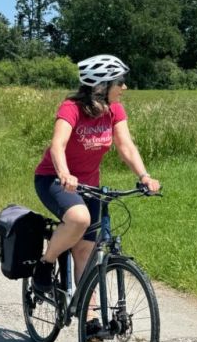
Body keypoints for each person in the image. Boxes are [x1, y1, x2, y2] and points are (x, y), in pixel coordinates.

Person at [32, 54, 160, 305]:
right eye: (119, 82)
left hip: (89, 186)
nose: (125, 87)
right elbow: (58, 145)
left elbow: (126, 146)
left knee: (85, 251)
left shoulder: (114, 110)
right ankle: (46, 263)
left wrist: (144, 176)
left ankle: (88, 318)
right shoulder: (71, 108)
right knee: (79, 219)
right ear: (101, 85)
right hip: (54, 179)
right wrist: (64, 173)